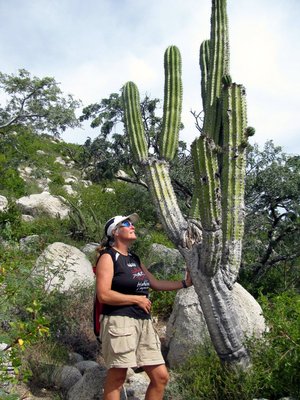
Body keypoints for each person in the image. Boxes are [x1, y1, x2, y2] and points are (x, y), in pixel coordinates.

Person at [95, 213, 192, 400]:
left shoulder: (134, 258)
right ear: (115, 232)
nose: (132, 226)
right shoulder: (108, 257)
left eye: (132, 224)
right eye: (126, 223)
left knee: (161, 377)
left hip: (143, 323)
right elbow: (103, 294)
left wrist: (185, 283)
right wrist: (136, 299)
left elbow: (154, 284)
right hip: (119, 321)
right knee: (117, 377)